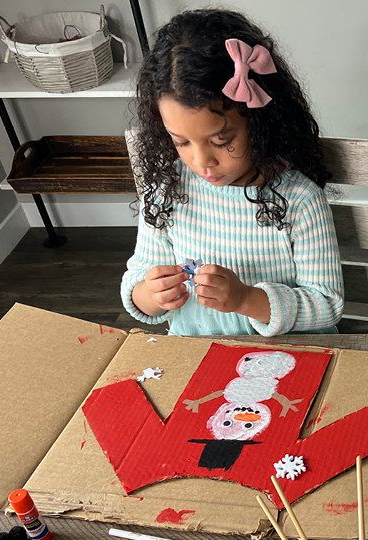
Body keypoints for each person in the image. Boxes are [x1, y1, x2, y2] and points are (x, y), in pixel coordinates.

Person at [123, 9, 343, 336]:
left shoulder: (299, 199)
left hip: (288, 357)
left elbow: (327, 304)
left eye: (221, 140)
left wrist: (245, 299)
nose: (201, 162)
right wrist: (152, 294)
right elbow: (137, 283)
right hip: (195, 356)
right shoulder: (166, 191)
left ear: (259, 122)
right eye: (181, 141)